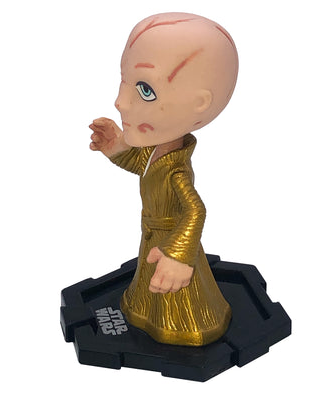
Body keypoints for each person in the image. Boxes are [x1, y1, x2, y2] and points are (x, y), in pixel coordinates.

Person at [89, 12, 239, 346]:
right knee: (150, 295)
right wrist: (116, 149)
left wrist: (180, 256)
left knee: (176, 299)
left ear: (198, 105)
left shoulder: (177, 171)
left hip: (168, 245)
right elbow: (142, 167)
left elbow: (195, 210)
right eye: (124, 80)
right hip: (153, 241)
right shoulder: (157, 153)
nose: (119, 102)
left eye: (145, 90)